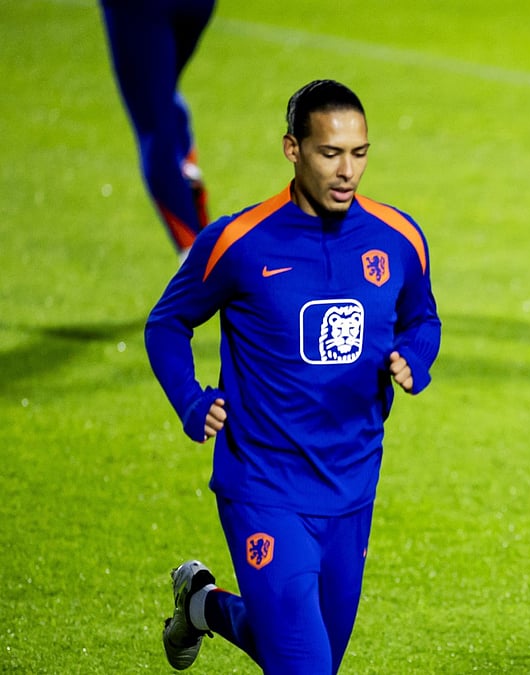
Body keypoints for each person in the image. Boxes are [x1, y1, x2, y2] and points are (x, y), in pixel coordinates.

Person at [144, 79, 441, 672]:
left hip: (353, 483)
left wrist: (416, 356)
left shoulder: (399, 237)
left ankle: (201, 605)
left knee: (312, 657)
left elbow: (422, 318)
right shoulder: (239, 241)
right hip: (263, 486)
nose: (346, 171)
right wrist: (190, 399)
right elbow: (166, 324)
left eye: (359, 153)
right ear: (293, 149)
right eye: (330, 153)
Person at [100, 0, 215, 258]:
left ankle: (200, 274)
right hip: (198, 7)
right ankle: (186, 174)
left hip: (142, 8)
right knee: (163, 101)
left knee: (154, 124)